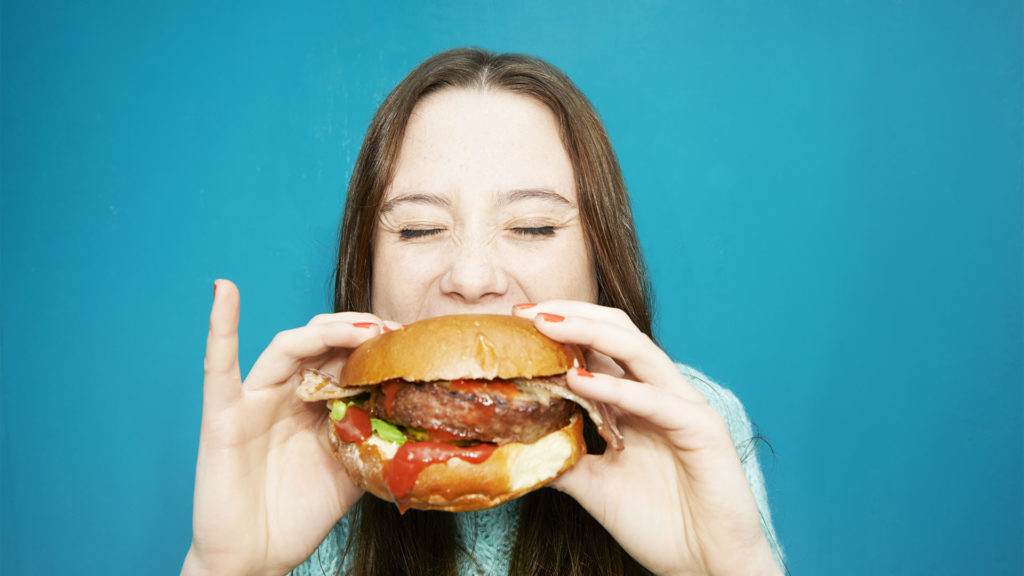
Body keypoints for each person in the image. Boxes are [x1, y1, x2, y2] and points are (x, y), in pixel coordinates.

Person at [182, 48, 785, 576]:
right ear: (365, 265)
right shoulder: (299, 438)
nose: (471, 279)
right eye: (419, 229)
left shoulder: (691, 428)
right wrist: (225, 568)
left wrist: (730, 567)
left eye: (532, 225)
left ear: (600, 260)